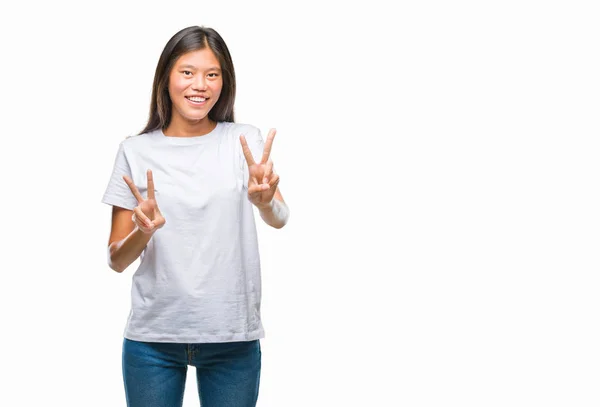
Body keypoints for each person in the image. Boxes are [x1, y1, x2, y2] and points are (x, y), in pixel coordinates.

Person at [101, 25, 289, 407]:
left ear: (224, 82)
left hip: (232, 336)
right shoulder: (135, 151)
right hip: (153, 340)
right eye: (187, 72)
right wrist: (143, 231)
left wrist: (265, 200)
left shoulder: (244, 141)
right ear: (166, 76)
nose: (199, 84)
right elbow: (116, 259)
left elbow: (280, 217)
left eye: (212, 74)